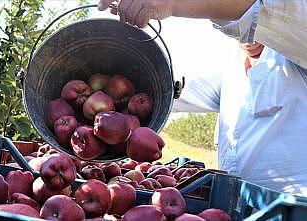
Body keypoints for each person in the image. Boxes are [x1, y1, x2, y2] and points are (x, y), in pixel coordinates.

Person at [98, 0, 307, 196]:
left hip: (294, 208)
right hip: (236, 208)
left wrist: (170, 3)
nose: (245, 35)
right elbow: (169, 90)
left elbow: (259, 11)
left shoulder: (299, 50)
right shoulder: (232, 69)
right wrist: (114, 83)